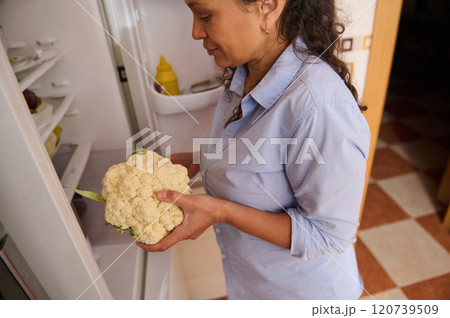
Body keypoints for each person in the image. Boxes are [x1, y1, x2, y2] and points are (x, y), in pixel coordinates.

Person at [137, 0, 370, 300]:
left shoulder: (319, 106)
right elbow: (256, 153)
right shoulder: (244, 73)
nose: (195, 31)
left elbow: (327, 236)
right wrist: (196, 161)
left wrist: (220, 211)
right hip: (255, 285)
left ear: (268, 7)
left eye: (205, 15)